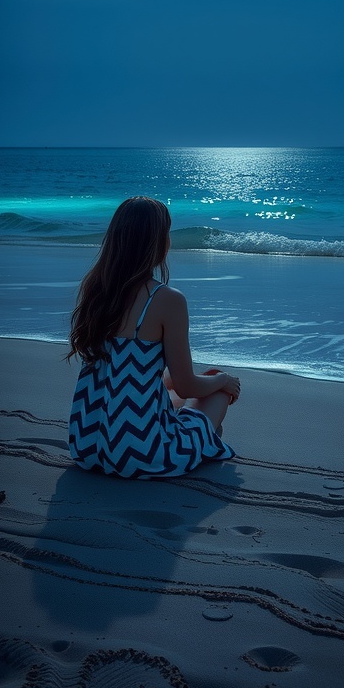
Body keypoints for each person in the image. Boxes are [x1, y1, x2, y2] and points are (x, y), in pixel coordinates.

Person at [67, 196, 241, 478]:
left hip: (87, 444)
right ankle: (203, 437)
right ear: (158, 243)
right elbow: (186, 387)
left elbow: (127, 373)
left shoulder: (96, 290)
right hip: (141, 452)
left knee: (175, 384)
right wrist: (223, 380)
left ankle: (200, 432)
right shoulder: (166, 300)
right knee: (217, 384)